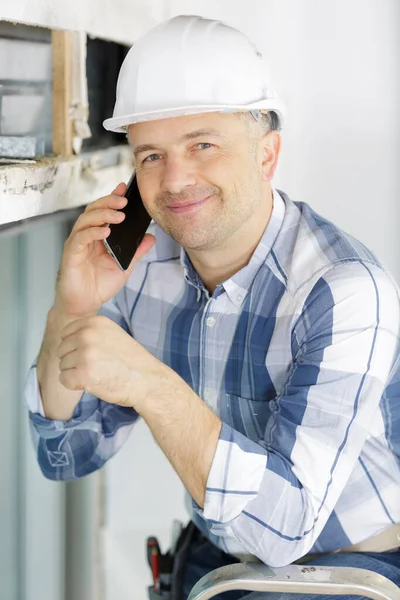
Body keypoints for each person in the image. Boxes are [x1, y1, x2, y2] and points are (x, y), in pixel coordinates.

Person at [25, 14, 399, 600]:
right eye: (151, 155)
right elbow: (66, 454)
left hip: (351, 573)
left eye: (203, 144)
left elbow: (286, 532)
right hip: (217, 562)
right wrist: (70, 311)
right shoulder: (140, 267)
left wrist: (151, 385)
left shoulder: (344, 291)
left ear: (266, 156)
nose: (175, 179)